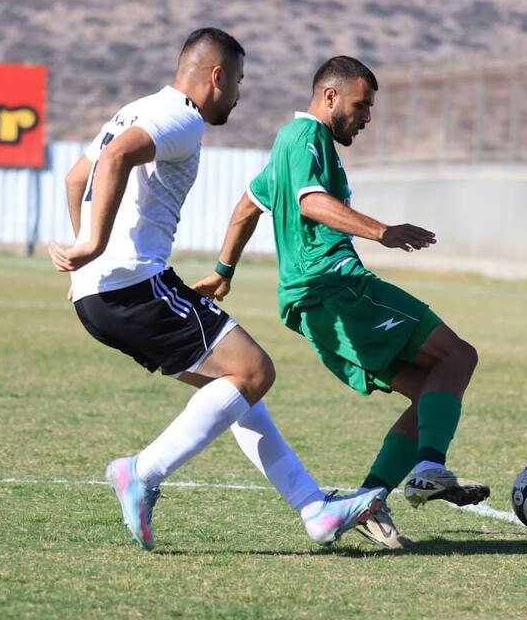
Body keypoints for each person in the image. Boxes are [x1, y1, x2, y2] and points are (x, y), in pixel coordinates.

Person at [49, 30, 385, 551]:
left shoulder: (135, 108)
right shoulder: (181, 116)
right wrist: (93, 245)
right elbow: (113, 161)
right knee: (254, 371)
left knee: (230, 388)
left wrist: (87, 260)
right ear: (217, 77)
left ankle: (314, 510)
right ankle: (141, 472)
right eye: (239, 82)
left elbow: (77, 178)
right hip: (134, 284)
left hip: (100, 294)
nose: (239, 95)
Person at [193, 56, 489, 550]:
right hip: (336, 286)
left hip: (314, 303)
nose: (367, 117)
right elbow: (311, 202)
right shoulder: (306, 138)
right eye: (362, 105)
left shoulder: (290, 146)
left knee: (433, 387)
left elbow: (248, 205)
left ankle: (371, 500)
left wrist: (224, 272)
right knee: (459, 356)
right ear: (330, 97)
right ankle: (430, 468)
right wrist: (383, 232)